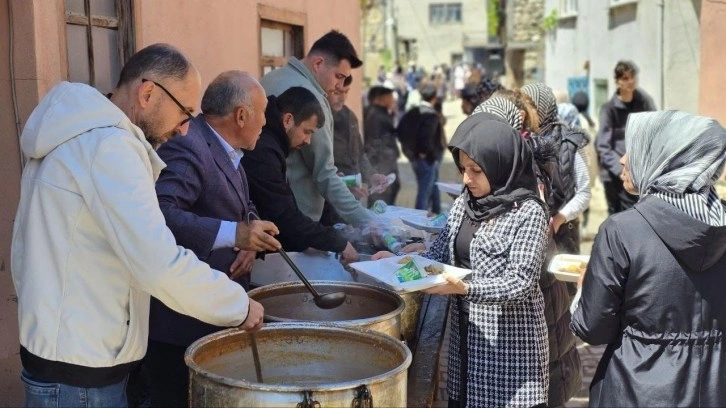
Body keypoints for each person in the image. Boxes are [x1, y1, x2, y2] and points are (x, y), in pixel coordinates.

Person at [10, 44, 277, 407]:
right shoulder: (109, 146)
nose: (185, 130)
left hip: (67, 358)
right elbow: (158, 263)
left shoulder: (77, 133)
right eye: (184, 113)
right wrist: (239, 306)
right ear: (148, 93)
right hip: (80, 373)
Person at [375, 113, 550, 407]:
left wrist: (465, 288)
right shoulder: (465, 204)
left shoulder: (528, 212)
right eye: (463, 169)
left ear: (501, 165)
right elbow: (438, 254)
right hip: (467, 342)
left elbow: (521, 283)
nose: (467, 179)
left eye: (476, 170)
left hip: (510, 349)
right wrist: (395, 262)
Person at [571, 110, 726, 407]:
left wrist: (582, 292)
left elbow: (593, 328)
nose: (623, 159)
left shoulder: (622, 230)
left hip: (634, 389)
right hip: (713, 387)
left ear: (666, 158)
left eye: (636, 148)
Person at [142, 71, 277, 407]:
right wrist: (235, 234)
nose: (266, 122)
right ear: (241, 115)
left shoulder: (226, 148)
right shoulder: (189, 145)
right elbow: (162, 214)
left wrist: (249, 233)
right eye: (262, 113)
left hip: (212, 316)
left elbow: (242, 205)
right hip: (180, 327)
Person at [474, 96, 582, 408]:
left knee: (544, 370)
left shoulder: (522, 174)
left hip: (536, 294)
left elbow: (520, 269)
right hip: (534, 289)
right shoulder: (506, 169)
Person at [260, 30, 371, 227]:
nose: (339, 86)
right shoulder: (312, 99)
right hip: (295, 219)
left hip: (260, 211)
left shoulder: (270, 79)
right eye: (339, 76)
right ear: (318, 64)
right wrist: (369, 222)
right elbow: (324, 174)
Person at [243, 86, 359, 262]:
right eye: (307, 131)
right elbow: (283, 215)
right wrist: (337, 242)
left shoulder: (273, 144)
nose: (307, 140)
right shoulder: (264, 150)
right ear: (288, 119)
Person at [523, 82, 591, 256]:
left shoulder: (570, 142)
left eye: (529, 105)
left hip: (563, 236)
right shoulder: (523, 140)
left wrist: (558, 219)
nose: (523, 111)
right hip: (528, 234)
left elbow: (584, 194)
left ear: (542, 106)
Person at [321, 75, 388, 225]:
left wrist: (371, 176)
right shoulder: (319, 120)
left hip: (352, 199)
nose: (343, 98)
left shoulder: (350, 116)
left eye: (346, 92)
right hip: (326, 203)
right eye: (337, 93)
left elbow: (359, 154)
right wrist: (343, 184)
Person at [596, 60, 657, 215]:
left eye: (632, 77)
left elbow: (654, 131)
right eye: (625, 78)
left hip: (638, 172)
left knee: (637, 214)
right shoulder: (609, 110)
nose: (630, 81)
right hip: (614, 173)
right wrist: (622, 171)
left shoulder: (644, 103)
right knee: (617, 216)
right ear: (617, 82)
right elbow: (604, 147)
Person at [398, 82, 447, 213]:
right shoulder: (430, 114)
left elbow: (400, 130)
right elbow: (427, 135)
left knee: (433, 185)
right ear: (434, 97)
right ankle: (419, 219)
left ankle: (437, 213)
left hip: (419, 157)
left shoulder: (412, 112)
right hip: (427, 158)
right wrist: (423, 152)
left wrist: (409, 151)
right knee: (425, 191)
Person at [364, 85, 400, 206]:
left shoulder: (378, 113)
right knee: (382, 196)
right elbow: (375, 142)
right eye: (390, 97)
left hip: (384, 161)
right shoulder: (376, 115)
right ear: (380, 98)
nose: (393, 101)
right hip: (381, 163)